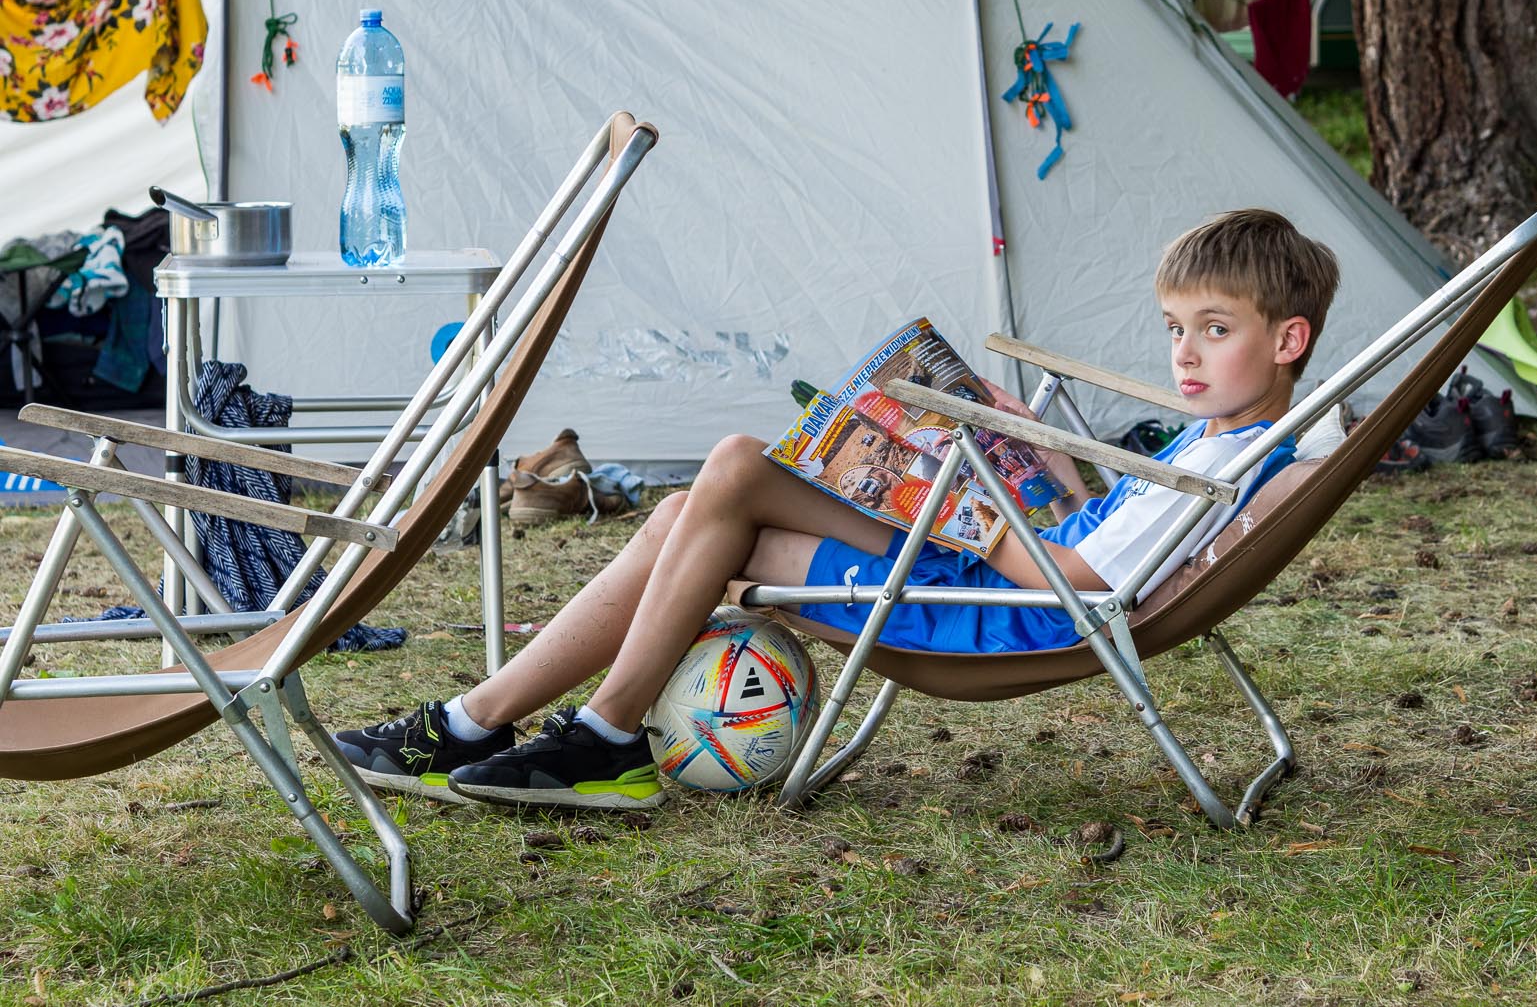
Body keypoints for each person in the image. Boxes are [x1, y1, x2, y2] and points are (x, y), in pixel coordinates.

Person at [335, 209, 1339, 810]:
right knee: (695, 507)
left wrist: (974, 512)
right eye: (1175, 329)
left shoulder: (1235, 460)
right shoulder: (1220, 445)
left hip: (996, 606)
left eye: (1216, 330)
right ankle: (482, 723)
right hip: (997, 565)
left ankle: (596, 736)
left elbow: (1089, 582)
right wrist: (1023, 458)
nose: (1185, 355)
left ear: (1288, 340)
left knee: (733, 471)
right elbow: (1096, 536)